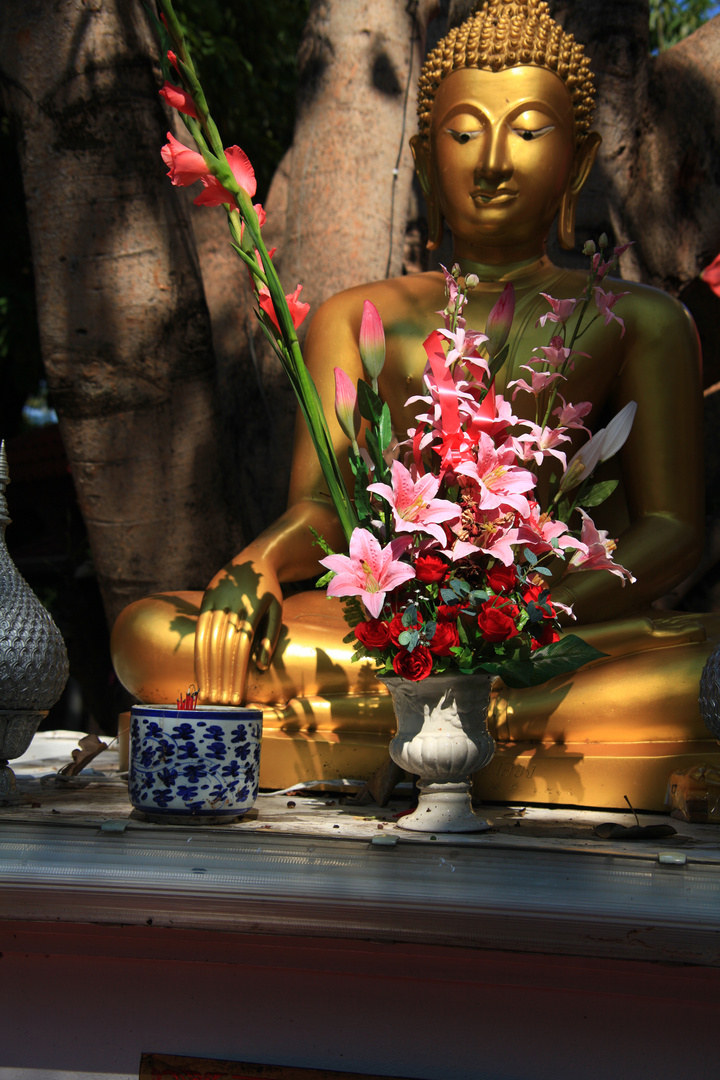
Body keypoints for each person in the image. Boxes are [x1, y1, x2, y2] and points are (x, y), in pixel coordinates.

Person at [112, 0, 720, 809]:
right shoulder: (352, 317)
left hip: (563, 625)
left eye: (531, 132)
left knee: (702, 669)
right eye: (465, 132)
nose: (494, 161)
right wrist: (258, 563)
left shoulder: (637, 319)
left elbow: (672, 531)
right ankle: (482, 724)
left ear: (579, 162)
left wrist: (524, 618)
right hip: (386, 627)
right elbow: (325, 508)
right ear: (424, 159)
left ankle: (426, 721)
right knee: (153, 636)